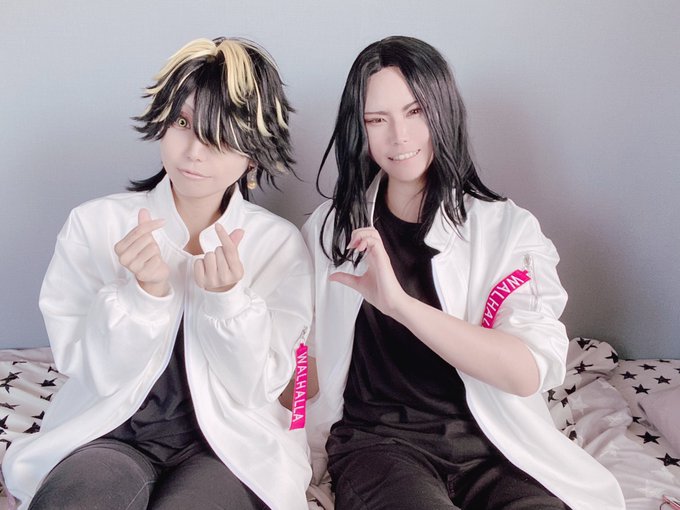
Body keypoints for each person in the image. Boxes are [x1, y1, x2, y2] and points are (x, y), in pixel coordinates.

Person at [302, 36, 625, 510]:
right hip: (380, 447)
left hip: (498, 450)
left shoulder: (506, 230)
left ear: (443, 110)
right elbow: (300, 356)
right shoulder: (329, 230)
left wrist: (400, 306)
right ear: (360, 128)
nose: (399, 137)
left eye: (415, 111)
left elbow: (527, 371)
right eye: (377, 119)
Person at [2, 37, 313, 510]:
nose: (194, 151)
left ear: (253, 153)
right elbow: (88, 369)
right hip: (107, 436)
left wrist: (230, 301)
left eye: (221, 132)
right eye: (182, 123)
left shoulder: (278, 245)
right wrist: (140, 296)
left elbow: (259, 387)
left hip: (228, 449)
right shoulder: (95, 225)